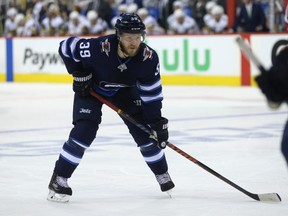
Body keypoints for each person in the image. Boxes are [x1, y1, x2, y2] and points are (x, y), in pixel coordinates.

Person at [47, 13, 175, 202]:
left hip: (124, 91)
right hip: (92, 89)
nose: (134, 42)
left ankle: (162, 174)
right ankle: (59, 179)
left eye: (138, 37)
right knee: (85, 130)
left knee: (146, 133)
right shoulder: (98, 48)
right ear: (118, 36)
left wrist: (156, 123)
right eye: (129, 37)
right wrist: (78, 73)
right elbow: (65, 47)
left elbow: (152, 95)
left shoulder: (148, 59)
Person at [254, 41, 288, 166]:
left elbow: (275, 100)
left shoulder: (284, 57)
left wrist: (269, 85)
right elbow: (275, 99)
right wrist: (269, 84)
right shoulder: (284, 57)